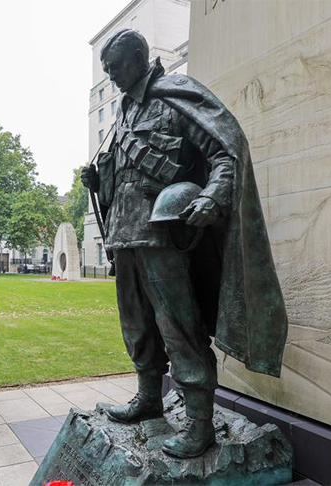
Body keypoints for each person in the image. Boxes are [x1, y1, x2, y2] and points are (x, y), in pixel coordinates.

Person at [81, 29, 287, 458]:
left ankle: (199, 424)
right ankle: (149, 397)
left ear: (138, 58)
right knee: (137, 325)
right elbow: (124, 180)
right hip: (125, 234)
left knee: (178, 328)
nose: (110, 74)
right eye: (105, 68)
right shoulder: (123, 113)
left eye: (115, 65)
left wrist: (213, 195)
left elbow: (225, 152)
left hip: (164, 234)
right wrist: (99, 182)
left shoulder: (175, 96)